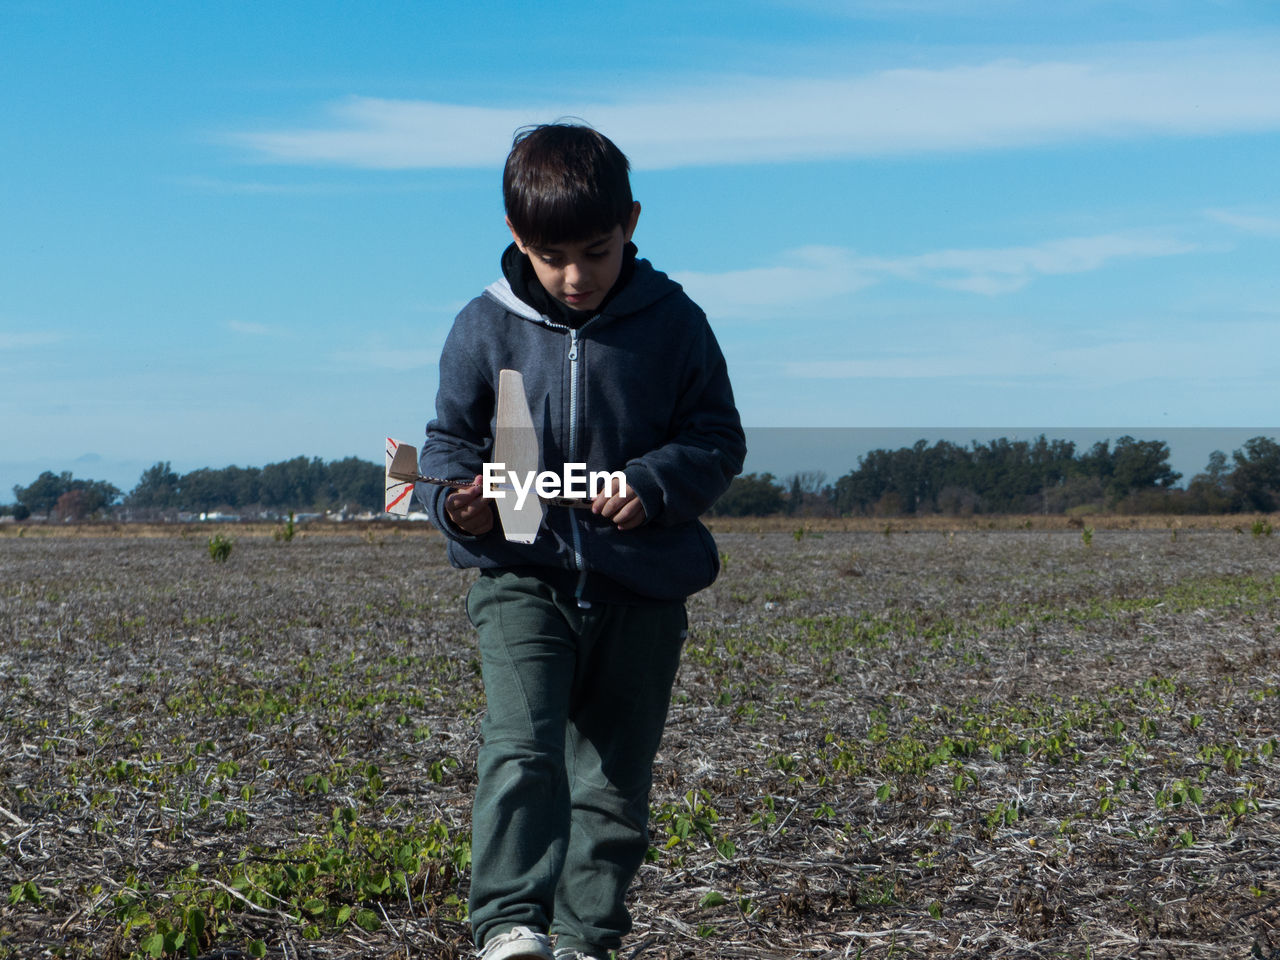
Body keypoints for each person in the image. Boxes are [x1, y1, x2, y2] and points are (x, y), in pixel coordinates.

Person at [418, 122, 745, 960]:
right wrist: (461, 509)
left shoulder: (675, 323)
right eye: (549, 255)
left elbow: (717, 437)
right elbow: (447, 450)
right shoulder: (482, 328)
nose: (573, 276)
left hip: (641, 589)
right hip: (520, 579)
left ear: (631, 222)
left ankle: (584, 938)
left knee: (612, 782)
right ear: (515, 238)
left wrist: (655, 484)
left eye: (596, 252)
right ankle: (507, 927)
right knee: (521, 749)